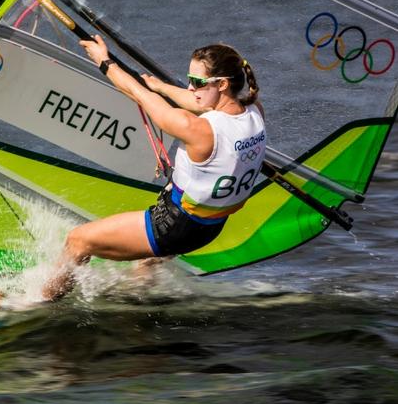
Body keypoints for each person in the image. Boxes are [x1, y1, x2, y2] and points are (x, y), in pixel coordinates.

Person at [41, 36, 266, 302]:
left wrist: (103, 61)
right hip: (209, 228)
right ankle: (133, 308)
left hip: (172, 225)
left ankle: (37, 303)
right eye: (189, 79)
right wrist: (162, 87)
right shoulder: (254, 111)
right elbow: (196, 101)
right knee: (146, 265)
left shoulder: (196, 129)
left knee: (79, 241)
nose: (191, 87)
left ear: (223, 84)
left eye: (198, 82)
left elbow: (137, 93)